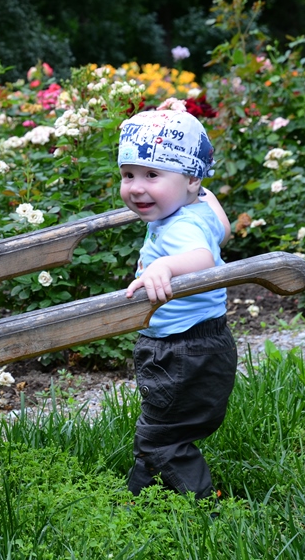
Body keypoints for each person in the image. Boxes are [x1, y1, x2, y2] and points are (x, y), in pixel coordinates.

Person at [118, 106, 236, 500]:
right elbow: (223, 231)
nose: (136, 187)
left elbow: (202, 259)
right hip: (204, 343)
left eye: (152, 175)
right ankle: (142, 498)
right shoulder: (196, 208)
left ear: (189, 178)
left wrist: (165, 267)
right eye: (128, 175)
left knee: (161, 438)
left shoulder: (181, 228)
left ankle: (202, 511)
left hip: (178, 350)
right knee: (162, 430)